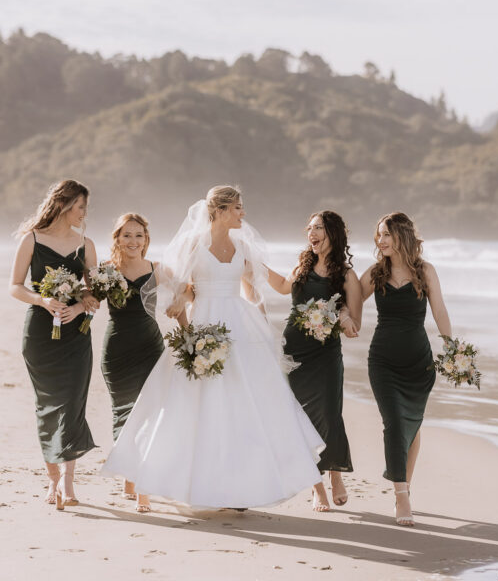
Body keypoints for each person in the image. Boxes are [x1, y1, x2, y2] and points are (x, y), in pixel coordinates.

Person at [102, 186, 324, 509]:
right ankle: (170, 479)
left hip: (239, 330)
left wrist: (312, 265)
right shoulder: (195, 244)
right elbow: (181, 293)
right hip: (204, 327)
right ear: (219, 211)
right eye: (237, 208)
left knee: (242, 407)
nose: (242, 214)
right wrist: (189, 332)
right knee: (192, 407)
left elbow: (269, 287)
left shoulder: (243, 247)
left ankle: (239, 486)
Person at [8, 179, 99, 510]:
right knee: (47, 406)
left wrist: (77, 306)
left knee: (73, 404)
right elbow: (15, 286)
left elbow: (93, 292)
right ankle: (52, 481)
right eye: (80, 207)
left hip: (76, 335)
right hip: (40, 336)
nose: (84, 213)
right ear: (64, 205)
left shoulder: (85, 245)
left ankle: (68, 481)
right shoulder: (31, 240)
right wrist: (43, 300)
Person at [360, 212, 452, 527]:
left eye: (386, 234)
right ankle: (402, 496)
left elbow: (439, 309)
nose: (380, 241)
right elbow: (351, 299)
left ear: (402, 235)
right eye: (378, 236)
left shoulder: (425, 271)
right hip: (382, 360)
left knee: (411, 424)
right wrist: (341, 316)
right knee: (395, 422)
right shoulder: (375, 273)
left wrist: (451, 347)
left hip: (419, 362)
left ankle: (405, 485)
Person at [266, 211, 361, 512]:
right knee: (299, 419)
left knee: (330, 415)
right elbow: (282, 287)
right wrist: (254, 264)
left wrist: (341, 318)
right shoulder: (302, 267)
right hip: (293, 353)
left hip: (326, 354)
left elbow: (353, 321)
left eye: (318, 228)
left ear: (333, 233)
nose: (311, 233)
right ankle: (317, 487)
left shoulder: (347, 276)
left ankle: (335, 475)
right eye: (309, 228)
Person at [100, 213, 164, 512]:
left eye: (139, 235)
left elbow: (186, 295)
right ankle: (130, 474)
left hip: (151, 347)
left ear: (146, 239)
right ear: (117, 238)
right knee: (124, 415)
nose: (133, 241)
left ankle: (141, 486)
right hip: (117, 350)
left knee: (150, 415)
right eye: (127, 235)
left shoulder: (158, 269)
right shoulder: (105, 271)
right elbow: (86, 302)